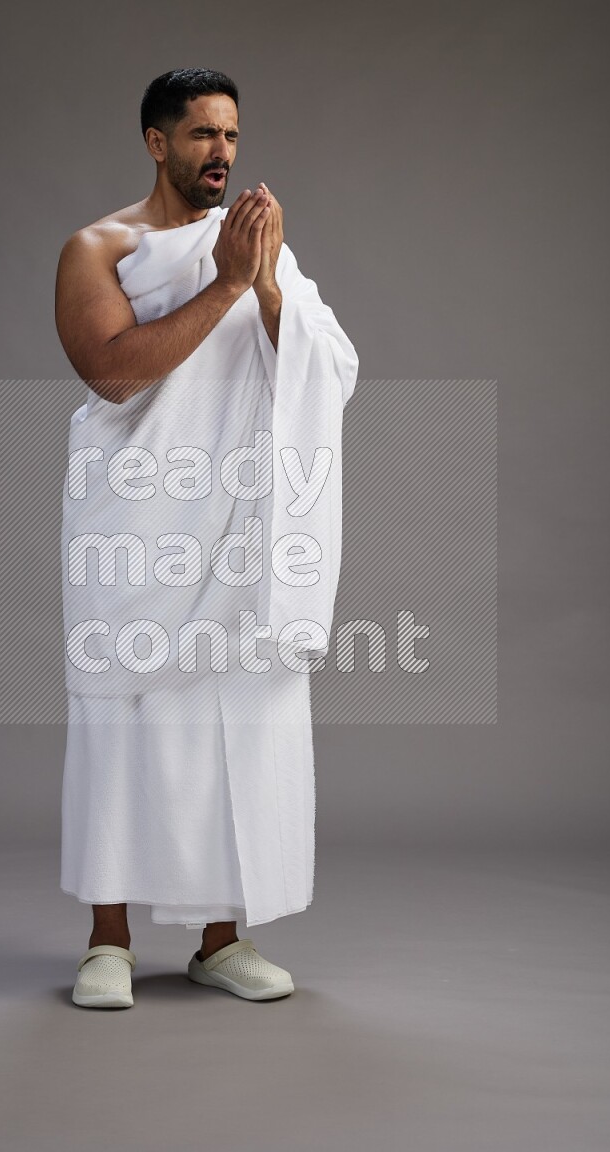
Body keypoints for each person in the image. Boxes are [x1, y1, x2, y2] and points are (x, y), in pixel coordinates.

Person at [54, 68, 358, 1007]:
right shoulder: (97, 247)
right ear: (157, 142)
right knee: (122, 719)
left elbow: (326, 369)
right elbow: (111, 374)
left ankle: (222, 940)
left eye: (230, 135)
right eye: (200, 135)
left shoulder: (258, 248)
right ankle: (108, 941)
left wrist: (264, 282)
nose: (221, 152)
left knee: (236, 721)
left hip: (235, 528)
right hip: (136, 526)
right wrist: (229, 282)